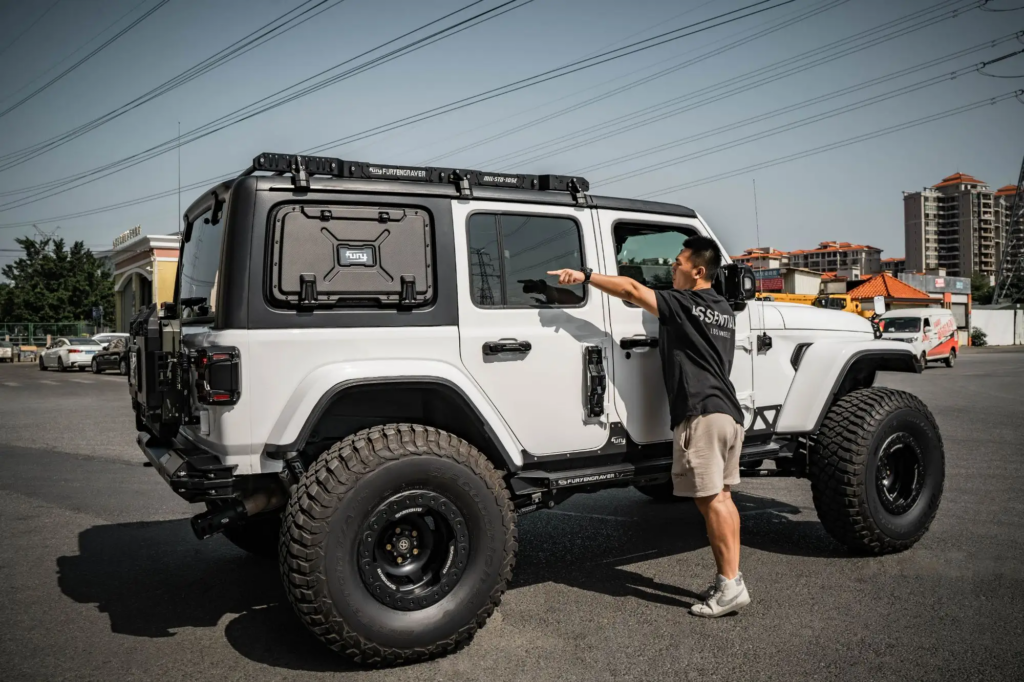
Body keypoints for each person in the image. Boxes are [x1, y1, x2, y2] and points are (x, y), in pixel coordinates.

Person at [548, 235, 749, 617]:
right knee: (722, 498)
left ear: (698, 271)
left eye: (678, 263)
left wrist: (585, 275)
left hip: (702, 413)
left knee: (711, 501)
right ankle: (732, 581)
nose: (672, 268)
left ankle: (729, 585)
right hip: (728, 412)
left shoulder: (683, 303)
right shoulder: (722, 307)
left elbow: (630, 288)